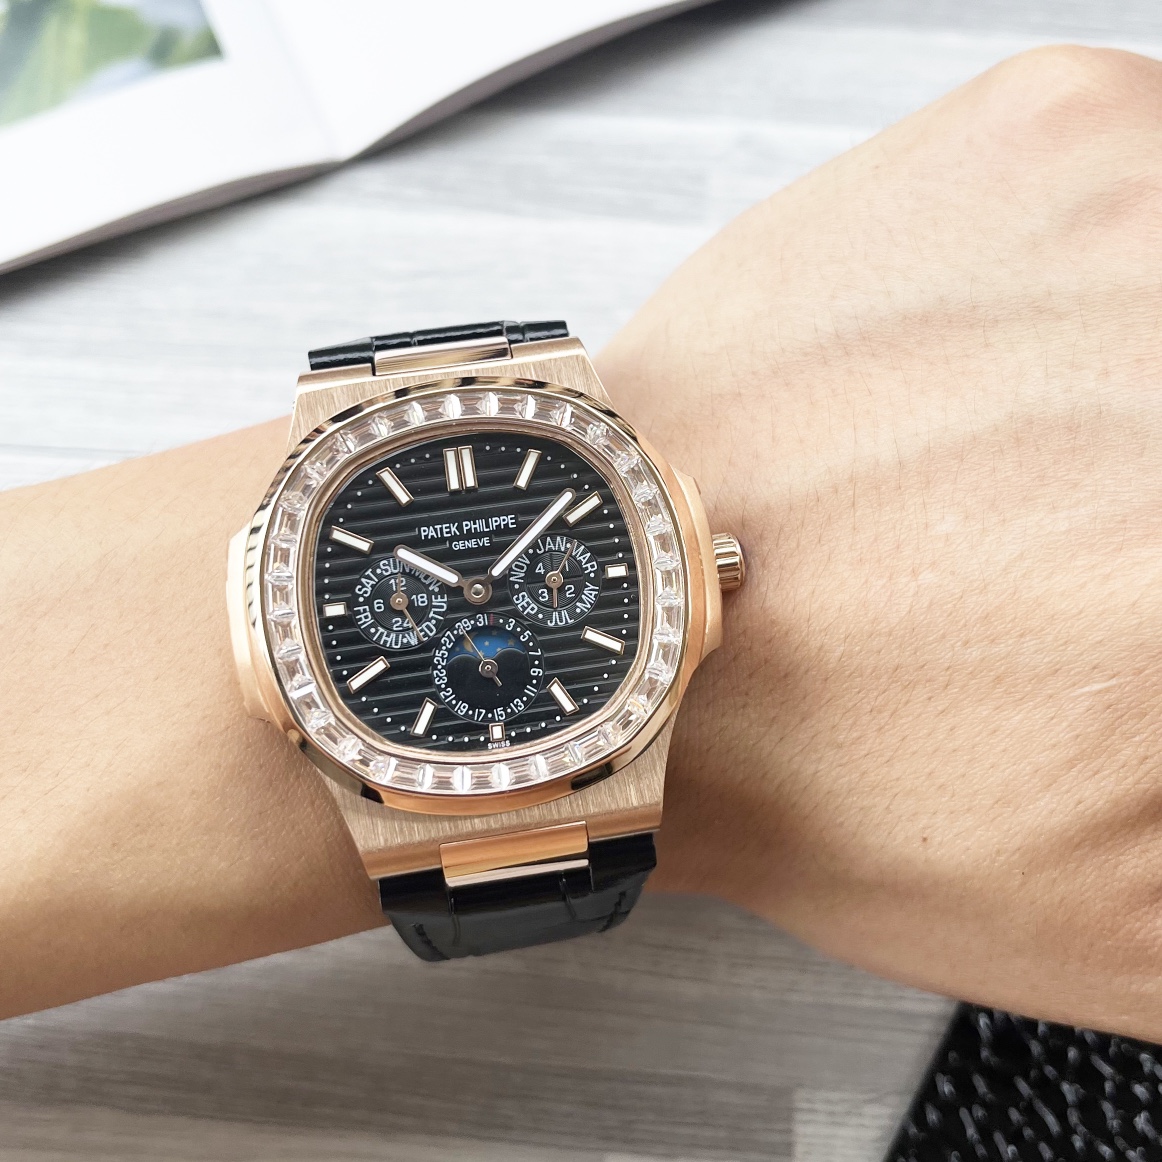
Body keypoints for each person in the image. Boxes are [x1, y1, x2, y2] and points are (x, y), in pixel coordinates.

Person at [4, 44, 1162, 1039]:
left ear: (702, 571)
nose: (478, 593)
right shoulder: (318, 646)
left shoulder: (650, 581)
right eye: (429, 588)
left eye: (518, 572)